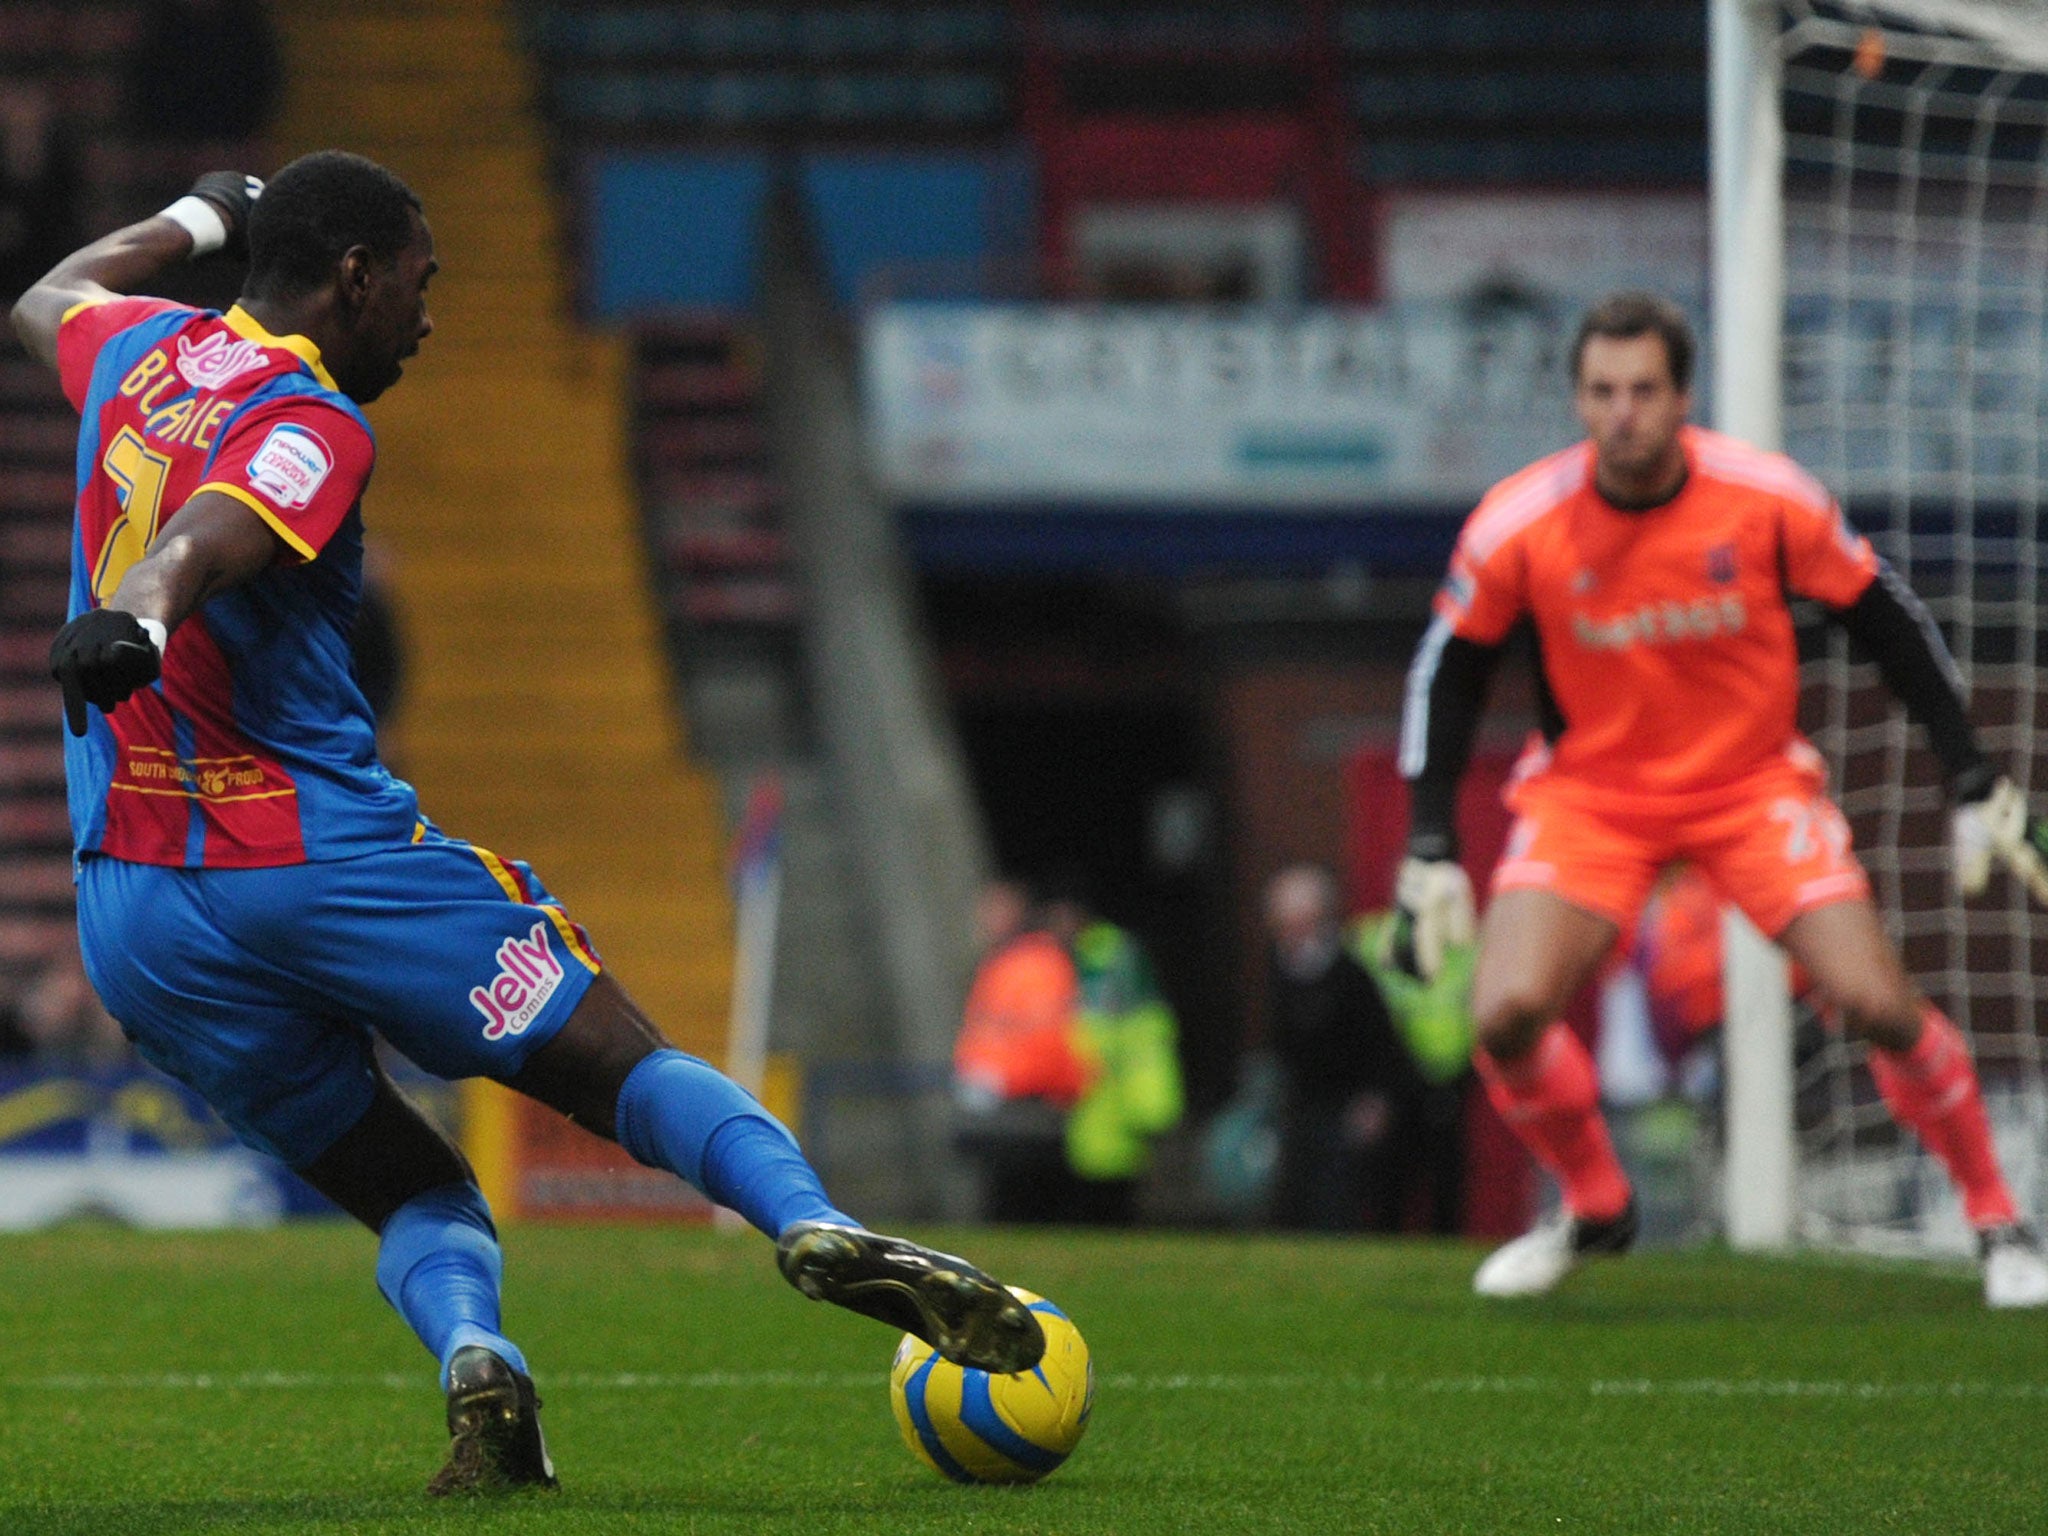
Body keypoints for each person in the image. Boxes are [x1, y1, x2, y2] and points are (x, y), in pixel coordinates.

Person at [10, 149, 1045, 1496]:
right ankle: (810, 1222)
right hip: (318, 864)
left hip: (138, 914)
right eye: (420, 288)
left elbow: (48, 291)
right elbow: (208, 536)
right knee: (617, 1060)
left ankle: (475, 1356)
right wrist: (145, 609)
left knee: (411, 1189)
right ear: (356, 277)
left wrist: (203, 215)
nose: (429, 320)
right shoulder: (313, 420)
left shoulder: (141, 350)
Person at [1395, 289, 2048, 1306]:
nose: (1621, 413)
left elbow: (1884, 619)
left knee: (1877, 1002)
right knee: (1505, 1014)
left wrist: (1968, 770)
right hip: (1592, 800)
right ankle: (1593, 1206)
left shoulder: (1765, 498)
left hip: (1748, 789)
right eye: (1601, 391)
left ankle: (1995, 1218)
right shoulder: (1518, 520)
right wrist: (1429, 839)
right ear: (1576, 397)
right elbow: (1450, 670)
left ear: (1680, 396)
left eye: (1642, 390)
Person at [1261, 865, 1420, 1231]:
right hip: (1300, 1106)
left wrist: (1377, 1099)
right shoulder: (1280, 968)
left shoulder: (1350, 974)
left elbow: (1382, 1045)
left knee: (1336, 1205)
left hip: (1346, 1107)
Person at [1041, 879, 1185, 1226]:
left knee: (1111, 1184)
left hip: (1105, 1088)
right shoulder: (1057, 958)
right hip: (1073, 1086)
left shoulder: (1114, 955)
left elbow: (1139, 1027)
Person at [951, 878, 1090, 1223]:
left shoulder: (1033, 963)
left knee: (1026, 1207)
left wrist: (998, 1080)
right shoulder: (1006, 962)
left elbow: (1046, 1038)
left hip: (1028, 1103)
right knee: (1009, 1203)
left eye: (995, 909)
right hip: (1005, 1101)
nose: (985, 918)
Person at [1355, 902, 1475, 1235]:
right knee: (1390, 1176)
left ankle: (1446, 1244)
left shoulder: (1463, 946)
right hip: (1392, 1079)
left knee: (1445, 1178)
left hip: (1449, 1079)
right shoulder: (1371, 937)